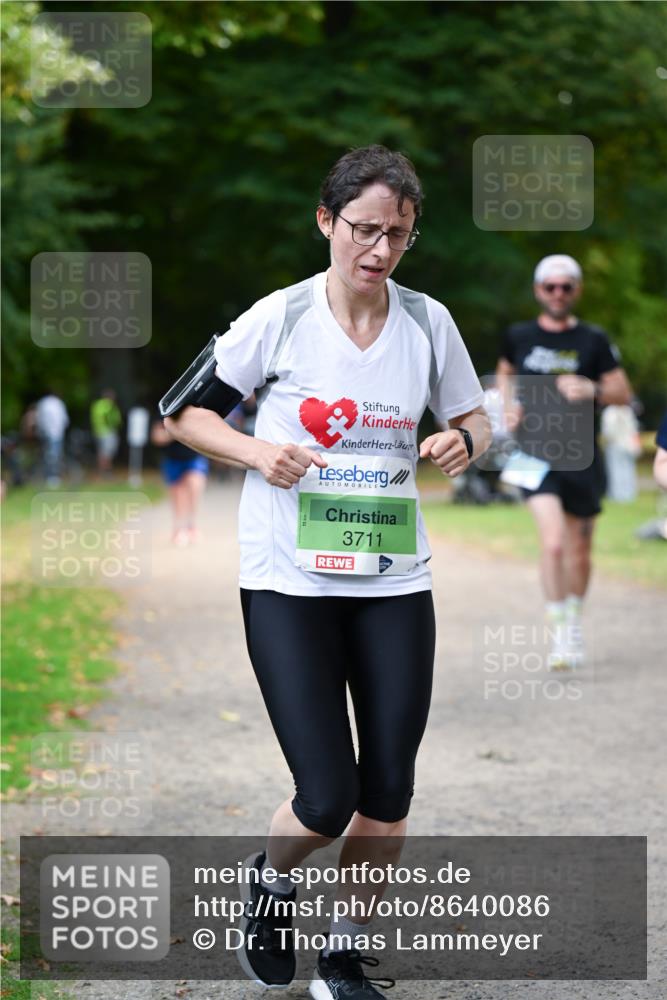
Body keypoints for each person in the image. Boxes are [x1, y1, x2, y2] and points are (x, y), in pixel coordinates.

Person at [165, 145, 490, 999]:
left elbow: (474, 415)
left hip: (391, 581)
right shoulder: (278, 316)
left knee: (387, 790)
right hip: (288, 582)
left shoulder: (429, 322)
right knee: (326, 795)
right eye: (363, 230)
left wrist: (465, 440)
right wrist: (256, 450)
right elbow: (184, 413)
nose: (378, 251)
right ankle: (271, 882)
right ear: (326, 221)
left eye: (396, 235)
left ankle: (340, 958)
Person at [496, 254, 633, 669]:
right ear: (539, 290)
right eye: (550, 286)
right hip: (532, 454)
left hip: (580, 457)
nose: (558, 293)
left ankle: (572, 617)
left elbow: (623, 393)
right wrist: (508, 404)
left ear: (577, 290)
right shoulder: (518, 335)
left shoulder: (593, 340)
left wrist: (591, 388)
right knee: (553, 543)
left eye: (566, 286)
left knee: (580, 549)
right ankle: (560, 632)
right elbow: (504, 371)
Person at [151, 417, 209, 546]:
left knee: (195, 485)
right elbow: (157, 437)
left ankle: (192, 526)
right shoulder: (166, 408)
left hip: (194, 457)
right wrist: (176, 432)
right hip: (173, 458)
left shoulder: (197, 407)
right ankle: (178, 529)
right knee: (178, 494)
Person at [35, 390, 69, 487]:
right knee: (55, 456)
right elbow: (65, 420)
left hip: (45, 433)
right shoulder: (59, 403)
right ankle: (53, 477)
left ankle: (49, 476)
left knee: (48, 456)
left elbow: (39, 419)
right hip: (57, 433)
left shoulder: (42, 403)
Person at [90, 388, 122, 476]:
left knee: (102, 452)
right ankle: (107, 472)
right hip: (107, 431)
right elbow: (109, 417)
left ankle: (102, 471)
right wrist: (114, 424)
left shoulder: (97, 404)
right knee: (107, 453)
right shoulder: (109, 405)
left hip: (98, 431)